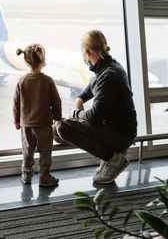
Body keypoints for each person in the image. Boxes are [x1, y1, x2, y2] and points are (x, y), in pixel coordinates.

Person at [53, 30, 137, 184]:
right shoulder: (108, 66)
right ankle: (111, 153)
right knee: (56, 130)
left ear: (86, 52)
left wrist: (76, 114)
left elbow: (94, 117)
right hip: (112, 129)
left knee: (63, 128)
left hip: (120, 135)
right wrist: (79, 99)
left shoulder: (109, 74)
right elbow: (93, 84)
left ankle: (113, 159)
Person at [13, 44, 62, 187]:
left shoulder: (22, 81)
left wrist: (17, 120)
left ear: (26, 61)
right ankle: (44, 177)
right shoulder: (48, 80)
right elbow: (56, 101)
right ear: (43, 60)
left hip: (26, 125)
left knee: (27, 151)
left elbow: (16, 103)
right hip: (44, 124)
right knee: (45, 151)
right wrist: (58, 117)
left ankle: (27, 176)